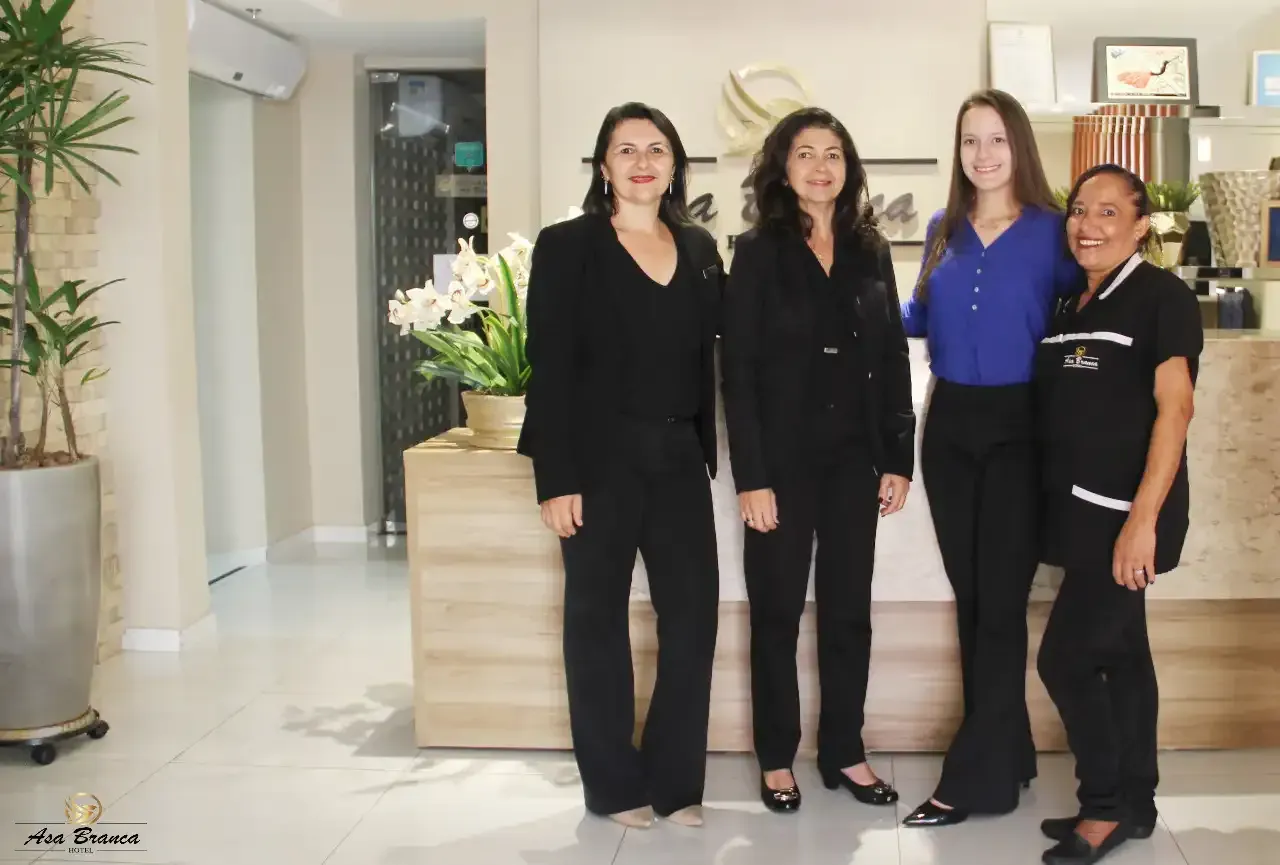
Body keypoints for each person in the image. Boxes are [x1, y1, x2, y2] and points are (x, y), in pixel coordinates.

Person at [516, 102, 724, 830]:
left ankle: (676, 782)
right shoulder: (567, 244)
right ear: (603, 165)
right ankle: (612, 786)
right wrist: (555, 477)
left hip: (678, 456)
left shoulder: (699, 247)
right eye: (626, 149)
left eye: (657, 149)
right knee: (596, 621)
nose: (643, 161)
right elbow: (549, 366)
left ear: (675, 165)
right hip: (597, 459)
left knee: (692, 618)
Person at [722, 106, 915, 815]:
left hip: (853, 463)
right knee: (776, 614)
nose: (820, 167)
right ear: (782, 167)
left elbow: (892, 356)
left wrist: (898, 456)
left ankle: (845, 751)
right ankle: (777, 757)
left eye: (833, 154)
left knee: (848, 614)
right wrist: (752, 478)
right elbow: (738, 372)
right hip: (781, 465)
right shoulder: (756, 252)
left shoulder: (870, 249)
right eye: (805, 153)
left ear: (849, 167)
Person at [899, 89, 1081, 827]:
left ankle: (972, 781)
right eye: (971, 140)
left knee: (1002, 606)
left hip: (1020, 428)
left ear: (1020, 147)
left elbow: (1090, 312)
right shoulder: (942, 229)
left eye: (998, 139)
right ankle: (1009, 757)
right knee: (974, 602)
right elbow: (916, 316)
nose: (983, 154)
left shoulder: (1053, 231)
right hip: (948, 428)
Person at [1034, 163, 1201, 864]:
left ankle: (1102, 805)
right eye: (1079, 210)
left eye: (1108, 212)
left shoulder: (1161, 297)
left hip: (1125, 518)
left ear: (1140, 226)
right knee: (1126, 659)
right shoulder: (1071, 302)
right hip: (1079, 517)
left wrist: (1142, 522)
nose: (1088, 224)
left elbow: (1176, 410)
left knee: (1065, 659)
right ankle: (1137, 802)